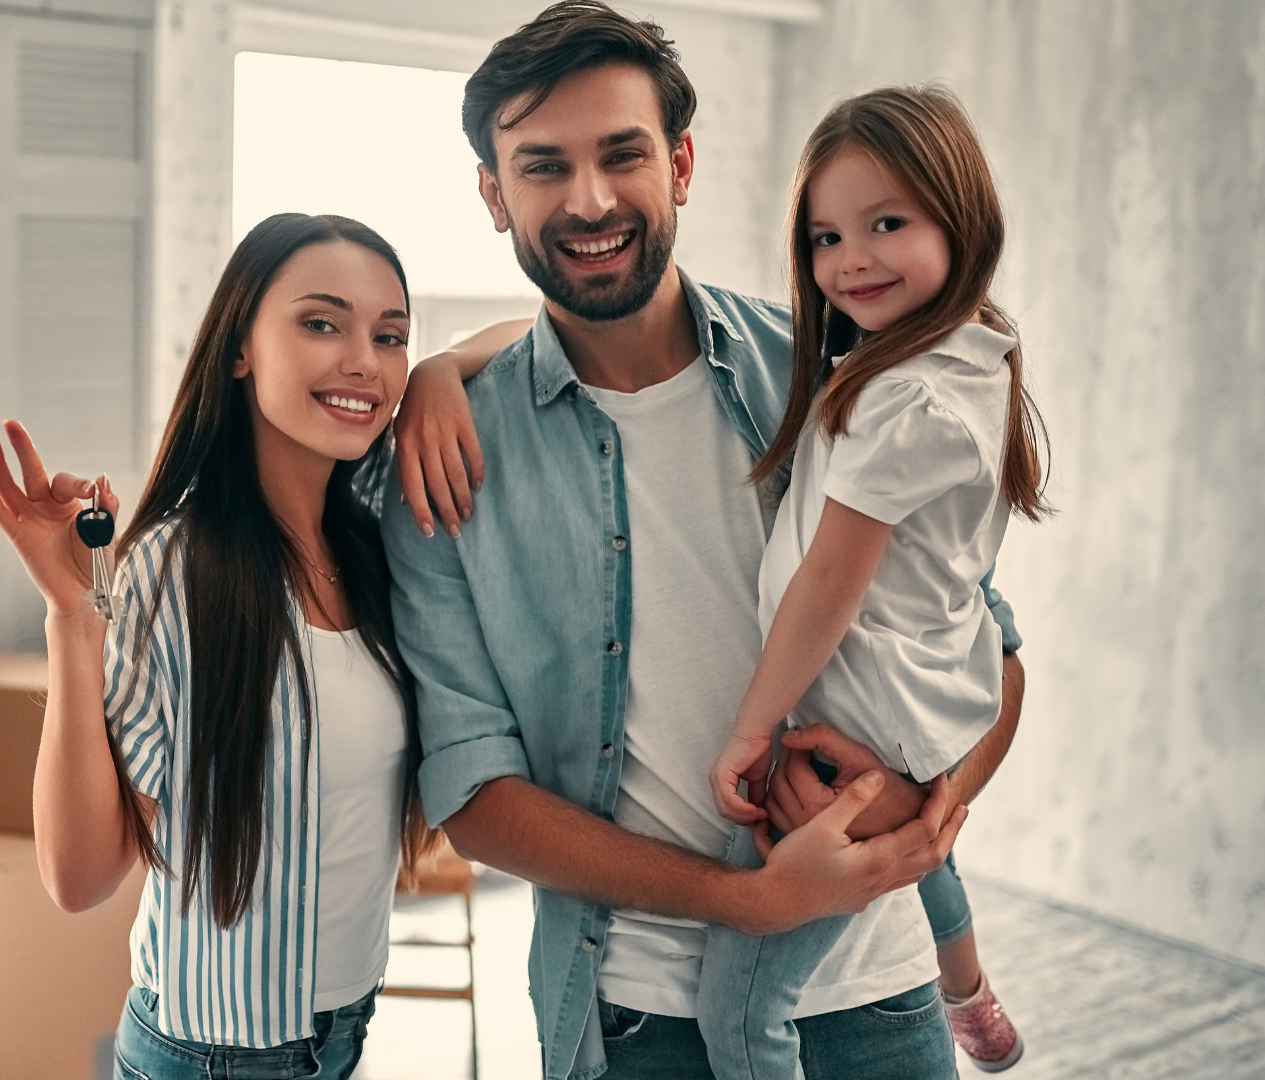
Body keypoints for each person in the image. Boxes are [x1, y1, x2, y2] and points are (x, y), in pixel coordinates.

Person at [381, 4, 1025, 1078]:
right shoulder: (439, 465)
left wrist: (927, 804)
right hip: (639, 1025)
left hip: (886, 996)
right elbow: (474, 800)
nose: (589, 200)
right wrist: (749, 903)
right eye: (543, 167)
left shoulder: (828, 372)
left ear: (680, 163)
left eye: (621, 154)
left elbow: (990, 647)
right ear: (494, 196)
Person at [0, 213, 432, 1080]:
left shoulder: (378, 542)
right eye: (321, 322)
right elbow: (78, 877)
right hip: (212, 1056)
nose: (364, 362)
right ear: (238, 350)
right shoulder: (171, 571)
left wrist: (441, 376)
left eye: (392, 336)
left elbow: (527, 341)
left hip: (346, 1033)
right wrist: (75, 619)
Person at [696, 86, 1044, 1078]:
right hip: (914, 702)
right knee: (920, 833)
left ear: (961, 218)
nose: (850, 260)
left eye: (886, 223)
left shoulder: (908, 400)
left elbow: (827, 587)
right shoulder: (967, 353)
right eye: (825, 235)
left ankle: (966, 987)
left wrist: (751, 729)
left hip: (861, 705)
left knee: (740, 1003)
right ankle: (968, 986)